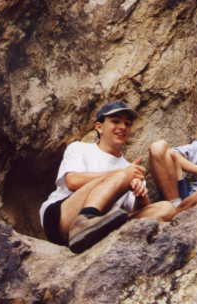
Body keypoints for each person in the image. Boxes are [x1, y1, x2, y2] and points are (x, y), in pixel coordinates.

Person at [39, 101, 175, 254]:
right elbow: (72, 181)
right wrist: (122, 175)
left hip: (101, 223)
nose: (123, 127)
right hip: (61, 218)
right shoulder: (80, 148)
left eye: (127, 124)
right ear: (99, 127)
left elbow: (135, 211)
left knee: (166, 209)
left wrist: (140, 195)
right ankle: (84, 221)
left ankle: (97, 233)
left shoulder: (130, 168)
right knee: (124, 174)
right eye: (115, 121)